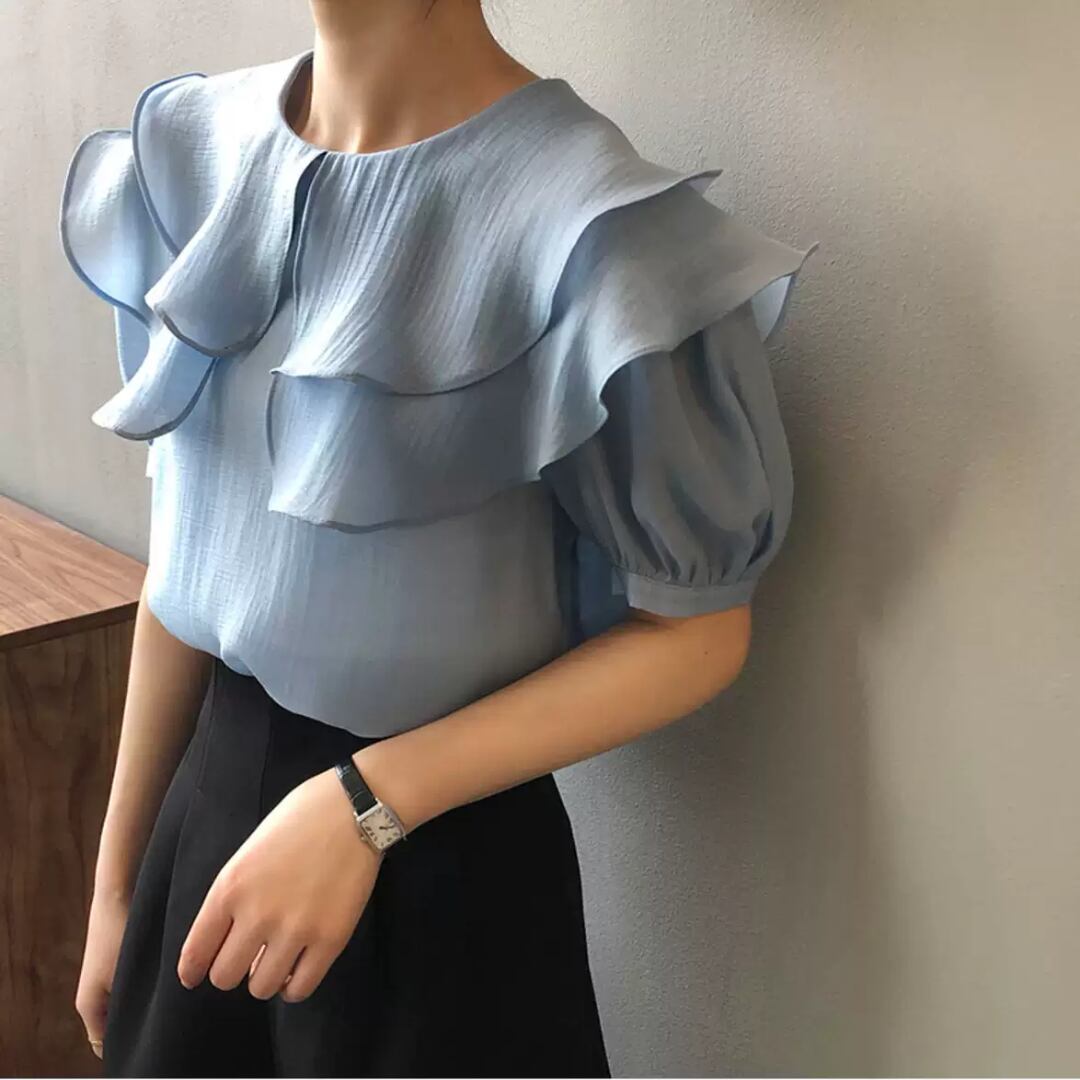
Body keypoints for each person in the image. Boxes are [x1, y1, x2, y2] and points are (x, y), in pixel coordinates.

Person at [59, 1, 815, 1076]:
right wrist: (117, 883)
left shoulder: (596, 228)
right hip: (205, 829)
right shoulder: (190, 158)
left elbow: (696, 630)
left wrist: (366, 805)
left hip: (438, 870)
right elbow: (184, 568)